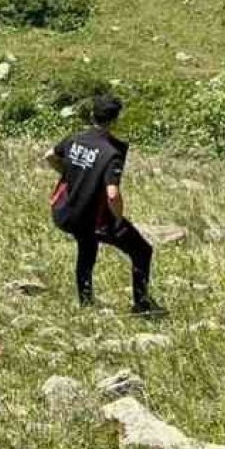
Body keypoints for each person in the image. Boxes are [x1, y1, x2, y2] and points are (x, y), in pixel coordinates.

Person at [44, 94, 165, 315]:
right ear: (115, 120)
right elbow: (112, 195)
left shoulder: (75, 139)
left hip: (67, 212)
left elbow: (50, 155)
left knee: (86, 244)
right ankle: (142, 303)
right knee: (142, 250)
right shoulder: (113, 152)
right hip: (93, 218)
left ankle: (86, 302)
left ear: (92, 115)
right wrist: (118, 218)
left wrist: (68, 173)